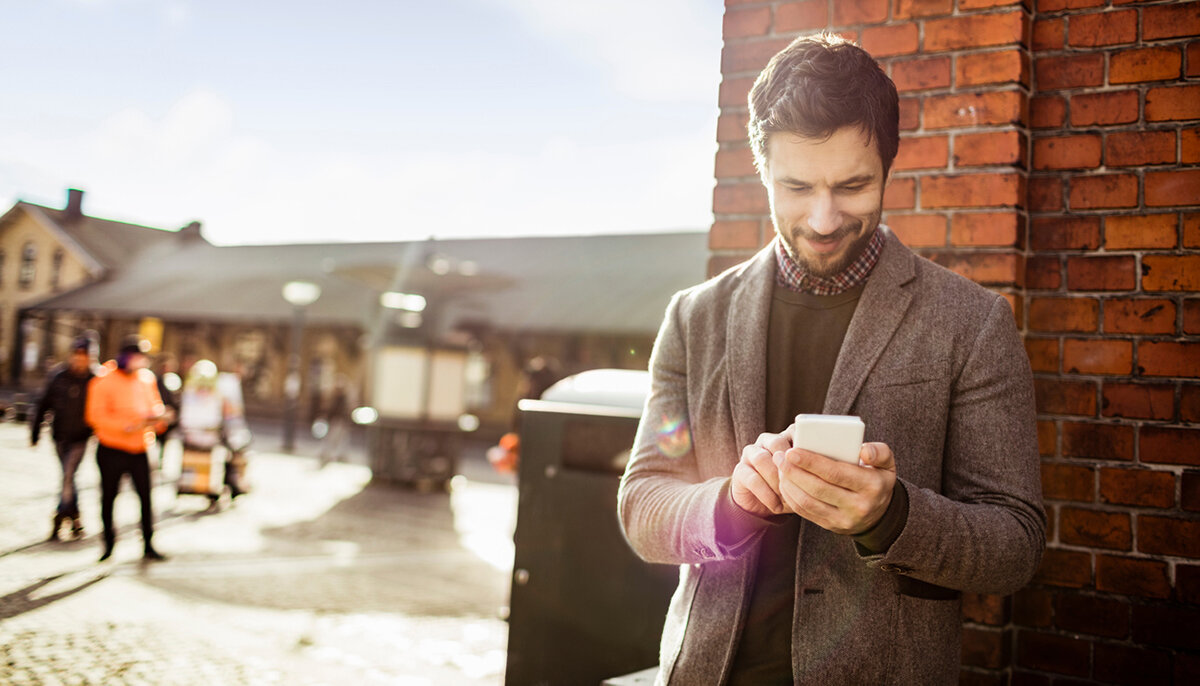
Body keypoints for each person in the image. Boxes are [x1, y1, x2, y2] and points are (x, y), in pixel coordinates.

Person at [617, 34, 1045, 685]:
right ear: (762, 169)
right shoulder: (694, 318)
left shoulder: (972, 325)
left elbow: (1014, 547)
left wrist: (892, 515)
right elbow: (643, 507)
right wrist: (730, 504)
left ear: (888, 167)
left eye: (852, 185)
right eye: (796, 187)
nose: (822, 219)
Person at [85, 335, 173, 562]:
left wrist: (159, 417)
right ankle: (108, 545)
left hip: (140, 447)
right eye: (137, 357)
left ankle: (148, 545)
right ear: (125, 357)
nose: (141, 362)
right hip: (112, 448)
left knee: (146, 498)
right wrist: (124, 426)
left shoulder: (146, 379)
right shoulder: (103, 380)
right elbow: (95, 416)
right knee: (109, 497)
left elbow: (154, 405)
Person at [31, 335, 96, 541]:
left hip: (81, 437)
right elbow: (44, 404)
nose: (79, 360)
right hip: (60, 436)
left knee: (68, 476)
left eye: (83, 356)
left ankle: (59, 518)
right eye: (76, 355)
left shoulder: (95, 380)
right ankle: (75, 517)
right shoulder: (59, 377)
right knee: (69, 477)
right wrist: (35, 431)